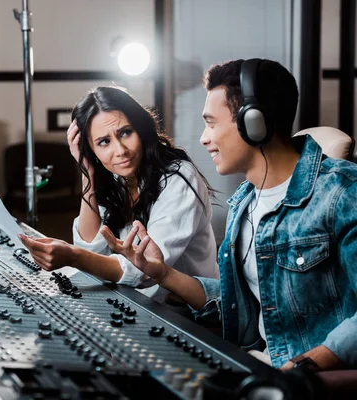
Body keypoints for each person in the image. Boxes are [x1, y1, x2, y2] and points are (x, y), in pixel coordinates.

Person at [102, 58, 357, 371]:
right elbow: (238, 305)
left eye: (211, 123)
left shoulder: (343, 191)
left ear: (255, 122)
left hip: (304, 379)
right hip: (256, 363)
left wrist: (298, 371)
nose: (203, 138)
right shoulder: (245, 202)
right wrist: (163, 274)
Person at [18, 86, 219, 300]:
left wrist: (74, 257)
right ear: (91, 150)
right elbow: (95, 256)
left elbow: (145, 270)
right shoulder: (114, 177)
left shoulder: (179, 177)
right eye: (104, 142)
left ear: (140, 129)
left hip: (192, 315)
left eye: (125, 132)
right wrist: (87, 173)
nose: (121, 150)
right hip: (141, 302)